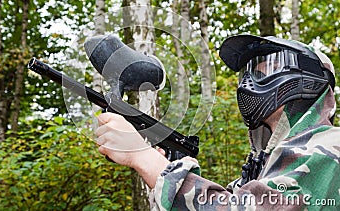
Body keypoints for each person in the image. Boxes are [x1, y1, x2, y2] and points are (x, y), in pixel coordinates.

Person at [95, 34, 339, 210]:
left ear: (308, 79)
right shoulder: (262, 169)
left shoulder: (330, 146)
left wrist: (145, 158)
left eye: (266, 70)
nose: (248, 82)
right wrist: (165, 171)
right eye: (247, 73)